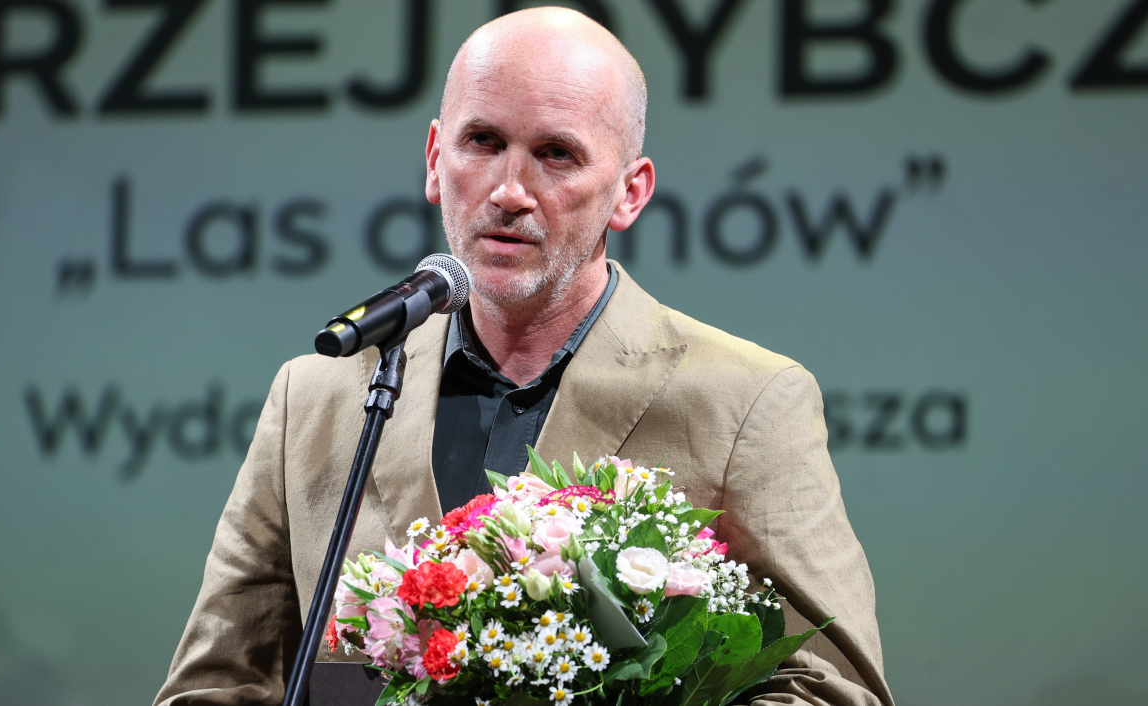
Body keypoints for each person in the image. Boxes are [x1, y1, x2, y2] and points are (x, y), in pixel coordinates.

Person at [155, 8, 892, 706]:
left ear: (629, 193)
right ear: (435, 159)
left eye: (556, 154)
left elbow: (832, 689)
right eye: (482, 142)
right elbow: (215, 686)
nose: (509, 191)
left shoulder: (746, 402)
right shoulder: (317, 397)